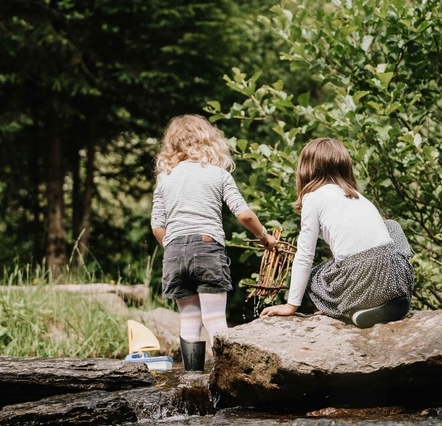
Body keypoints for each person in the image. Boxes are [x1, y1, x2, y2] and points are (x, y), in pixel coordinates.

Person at [151, 114, 276, 368]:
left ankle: (192, 380)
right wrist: (265, 237)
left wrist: (174, 247)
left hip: (173, 253)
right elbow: (244, 214)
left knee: (189, 319)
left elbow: (156, 226)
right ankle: (227, 379)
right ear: (207, 139)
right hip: (207, 248)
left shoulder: (165, 179)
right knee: (215, 318)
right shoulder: (218, 175)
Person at [260, 137, 414, 328]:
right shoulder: (358, 197)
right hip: (394, 277)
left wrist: (291, 305)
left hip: (360, 281)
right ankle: (389, 301)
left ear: (306, 169)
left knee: (314, 276)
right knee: (391, 226)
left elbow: (305, 255)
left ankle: (346, 308)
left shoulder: (312, 198)